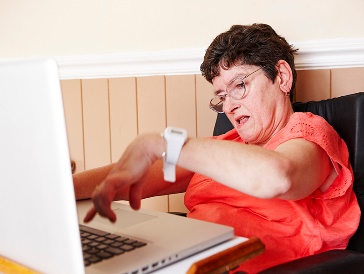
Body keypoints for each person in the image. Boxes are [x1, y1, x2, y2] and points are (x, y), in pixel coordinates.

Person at [73, 24, 360, 273]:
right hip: (187, 262)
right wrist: (61, 188)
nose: (230, 106)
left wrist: (165, 144)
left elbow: (279, 177)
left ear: (282, 77)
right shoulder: (227, 145)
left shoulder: (309, 133)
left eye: (240, 86)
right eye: (221, 96)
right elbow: (135, 176)